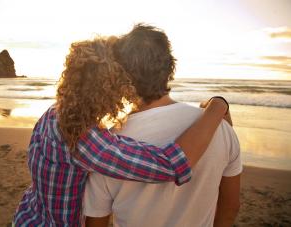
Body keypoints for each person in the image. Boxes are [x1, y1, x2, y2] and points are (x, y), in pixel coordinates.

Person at [13, 33, 228, 226]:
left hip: (28, 216)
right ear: (105, 86)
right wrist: (217, 107)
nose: (124, 90)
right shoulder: (84, 139)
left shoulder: (55, 113)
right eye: (120, 83)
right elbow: (171, 165)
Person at [84, 24, 241, 227]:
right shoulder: (221, 128)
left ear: (121, 77)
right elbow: (231, 207)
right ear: (170, 68)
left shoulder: (108, 147)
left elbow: (96, 222)